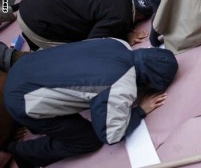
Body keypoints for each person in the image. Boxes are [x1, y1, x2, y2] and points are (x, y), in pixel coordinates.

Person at [2, 38, 178, 167]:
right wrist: (140, 110)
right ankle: (22, 152)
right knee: (88, 140)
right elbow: (110, 135)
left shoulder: (118, 43)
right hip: (22, 100)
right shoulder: (121, 84)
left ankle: (36, 125)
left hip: (24, 68)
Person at [17, 0, 158, 51]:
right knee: (75, 54)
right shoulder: (122, 15)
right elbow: (94, 42)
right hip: (36, 22)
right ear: (138, 16)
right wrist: (124, 37)